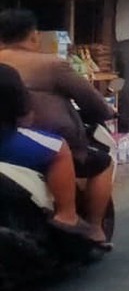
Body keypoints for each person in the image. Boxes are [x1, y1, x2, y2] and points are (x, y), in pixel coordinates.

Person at [0, 10, 116, 237]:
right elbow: (92, 100)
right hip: (19, 137)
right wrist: (107, 110)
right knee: (101, 161)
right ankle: (80, 220)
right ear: (34, 37)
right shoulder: (51, 64)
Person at [0, 63, 107, 245]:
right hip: (5, 142)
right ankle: (67, 215)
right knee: (59, 149)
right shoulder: (8, 73)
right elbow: (24, 117)